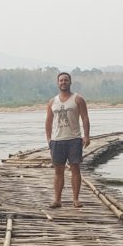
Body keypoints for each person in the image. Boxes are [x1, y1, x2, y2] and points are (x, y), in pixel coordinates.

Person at [44, 71, 90, 208]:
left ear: (70, 82)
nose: (63, 82)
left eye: (66, 80)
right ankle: (57, 200)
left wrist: (86, 136)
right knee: (58, 171)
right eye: (61, 80)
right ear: (58, 83)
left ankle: (75, 199)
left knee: (75, 169)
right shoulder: (52, 102)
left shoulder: (78, 99)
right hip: (57, 140)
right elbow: (48, 121)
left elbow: (85, 118)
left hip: (74, 139)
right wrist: (49, 139)